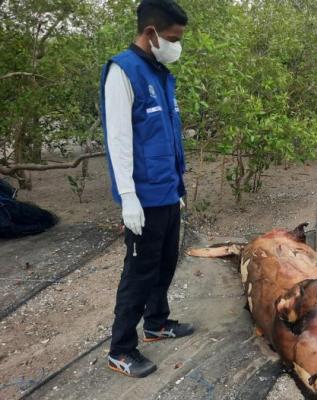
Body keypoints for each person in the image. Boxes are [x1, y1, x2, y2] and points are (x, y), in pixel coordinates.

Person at [99, 0, 193, 378]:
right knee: (138, 273)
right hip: (144, 199)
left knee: (166, 263)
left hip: (168, 192)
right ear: (151, 33)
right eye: (172, 38)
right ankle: (121, 349)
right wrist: (128, 199)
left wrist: (179, 186)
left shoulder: (160, 74)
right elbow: (119, 141)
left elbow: (167, 138)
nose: (176, 46)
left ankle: (156, 323)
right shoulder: (123, 72)